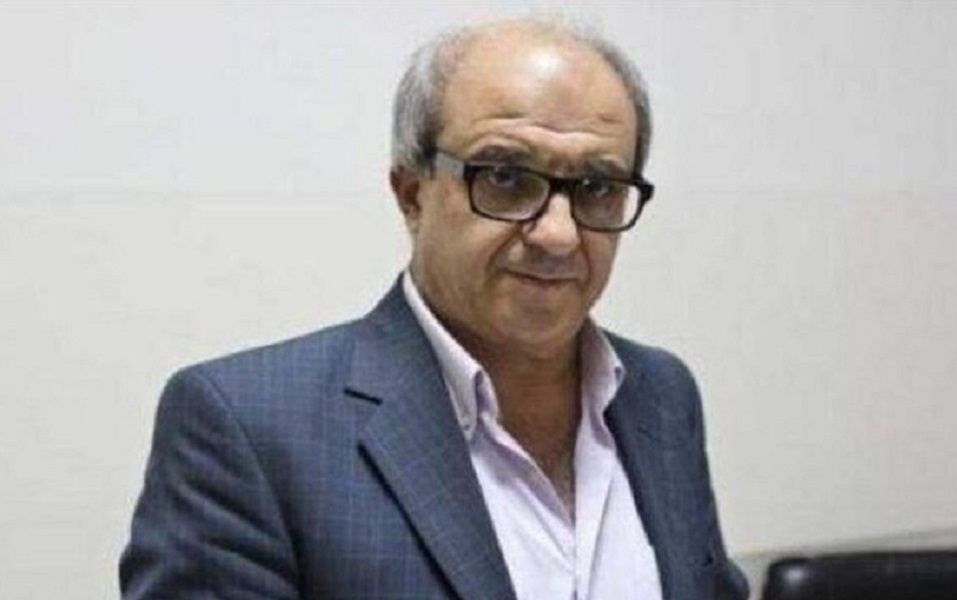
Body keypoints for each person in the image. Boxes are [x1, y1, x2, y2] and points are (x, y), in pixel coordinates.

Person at [120, 17, 748, 600]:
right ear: (412, 192)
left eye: (598, 187)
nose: (559, 234)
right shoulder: (248, 426)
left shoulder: (659, 395)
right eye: (506, 177)